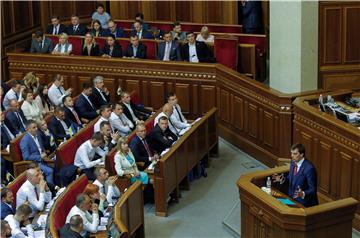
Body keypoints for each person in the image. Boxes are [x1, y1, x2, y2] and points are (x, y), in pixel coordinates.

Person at [273, 143, 319, 207]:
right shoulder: (293, 162)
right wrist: (282, 179)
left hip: (303, 203)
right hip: (291, 198)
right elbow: (290, 178)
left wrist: (302, 193)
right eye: (291, 153)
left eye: (295, 154)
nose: (292, 156)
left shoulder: (309, 169)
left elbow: (313, 189)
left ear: (302, 154)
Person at [20, 121, 54, 185]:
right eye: (34, 128)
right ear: (28, 129)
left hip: (44, 158)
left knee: (56, 164)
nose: (36, 129)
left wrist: (44, 153)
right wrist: (40, 157)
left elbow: (41, 147)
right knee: (50, 171)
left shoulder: (37, 134)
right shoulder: (25, 140)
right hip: (35, 163)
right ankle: (50, 189)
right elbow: (26, 157)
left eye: (36, 127)